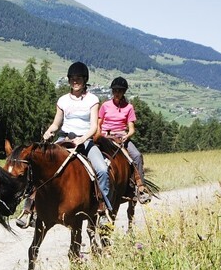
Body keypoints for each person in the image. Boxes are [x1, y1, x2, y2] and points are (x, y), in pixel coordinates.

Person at [42, 61, 113, 222]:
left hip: (84, 140)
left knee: (102, 169)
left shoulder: (92, 100)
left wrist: (83, 138)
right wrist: (49, 132)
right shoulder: (62, 100)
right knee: (42, 164)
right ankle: (31, 207)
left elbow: (94, 126)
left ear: (85, 79)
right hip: (64, 138)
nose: (75, 81)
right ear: (68, 80)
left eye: (79, 78)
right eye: (72, 78)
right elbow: (56, 123)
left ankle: (103, 208)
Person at [99, 76, 151, 204]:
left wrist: (127, 136)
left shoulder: (129, 107)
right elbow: (99, 123)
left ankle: (140, 187)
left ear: (124, 92)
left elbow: (132, 129)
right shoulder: (105, 105)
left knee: (137, 156)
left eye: (120, 91)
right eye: (115, 90)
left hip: (121, 136)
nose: (117, 93)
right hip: (105, 136)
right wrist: (100, 136)